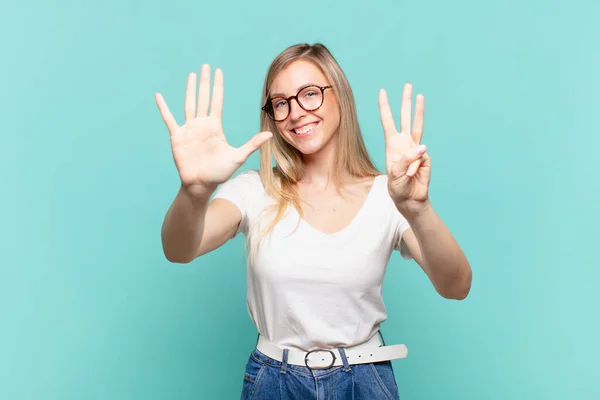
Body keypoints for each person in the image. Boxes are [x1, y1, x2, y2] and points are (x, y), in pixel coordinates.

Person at [156, 43, 472, 399]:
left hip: (364, 381)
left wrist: (418, 208)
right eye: (281, 103)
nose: (295, 112)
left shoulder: (390, 194)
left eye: (310, 94)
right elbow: (179, 249)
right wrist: (195, 191)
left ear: (341, 97)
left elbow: (456, 286)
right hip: (274, 382)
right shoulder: (253, 189)